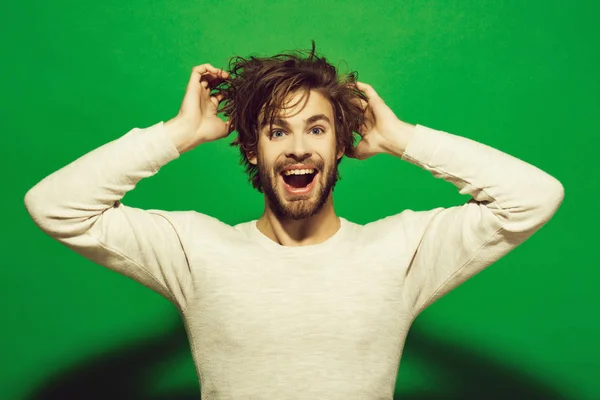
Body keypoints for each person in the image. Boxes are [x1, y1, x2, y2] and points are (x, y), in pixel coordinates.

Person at [24, 43, 564, 400]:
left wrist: (403, 140)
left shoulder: (401, 251)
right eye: (276, 131)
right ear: (253, 150)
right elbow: (54, 206)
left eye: (317, 129)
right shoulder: (195, 249)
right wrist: (179, 132)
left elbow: (535, 197)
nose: (298, 149)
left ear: (340, 144)